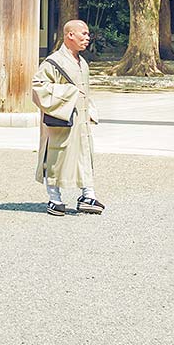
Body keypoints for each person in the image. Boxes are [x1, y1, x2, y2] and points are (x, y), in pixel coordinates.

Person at [31, 19, 104, 217]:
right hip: (61, 119)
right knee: (56, 157)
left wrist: (89, 110)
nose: (87, 38)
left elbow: (85, 93)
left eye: (88, 35)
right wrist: (69, 93)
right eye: (84, 34)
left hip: (80, 120)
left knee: (84, 155)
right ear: (70, 35)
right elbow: (38, 87)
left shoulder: (83, 63)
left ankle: (88, 194)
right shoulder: (53, 62)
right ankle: (54, 198)